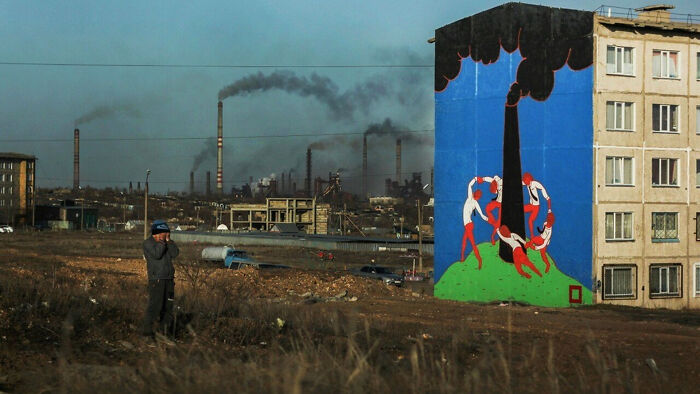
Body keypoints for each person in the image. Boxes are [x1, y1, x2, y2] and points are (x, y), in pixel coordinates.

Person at [142, 219, 179, 338]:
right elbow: (157, 254)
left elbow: (175, 254)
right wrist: (162, 242)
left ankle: (163, 333)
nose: (164, 234)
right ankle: (147, 334)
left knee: (168, 308)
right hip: (157, 279)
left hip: (169, 279)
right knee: (155, 307)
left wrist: (169, 241)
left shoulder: (166, 243)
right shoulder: (148, 243)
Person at [460, 177, 488, 268]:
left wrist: (475, 179)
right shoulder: (475, 203)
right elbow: (482, 215)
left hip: (468, 225)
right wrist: (487, 218)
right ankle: (462, 258)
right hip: (468, 225)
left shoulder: (470, 199)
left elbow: (469, 185)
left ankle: (479, 260)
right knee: (464, 241)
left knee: (472, 243)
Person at [522, 172, 550, 239]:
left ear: (529, 179)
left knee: (530, 220)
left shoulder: (534, 183)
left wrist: (546, 198)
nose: (525, 183)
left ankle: (532, 236)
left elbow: (542, 188)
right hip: (530, 205)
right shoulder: (526, 183)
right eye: (525, 182)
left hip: (536, 207)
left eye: (526, 181)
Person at [482, 175, 502, 245]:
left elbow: (490, 180)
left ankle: (493, 236)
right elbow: (490, 179)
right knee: (488, 208)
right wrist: (483, 179)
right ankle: (494, 223)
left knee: (499, 222)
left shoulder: (502, 182)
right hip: (497, 202)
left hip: (502, 204)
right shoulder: (495, 181)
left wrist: (483, 179)